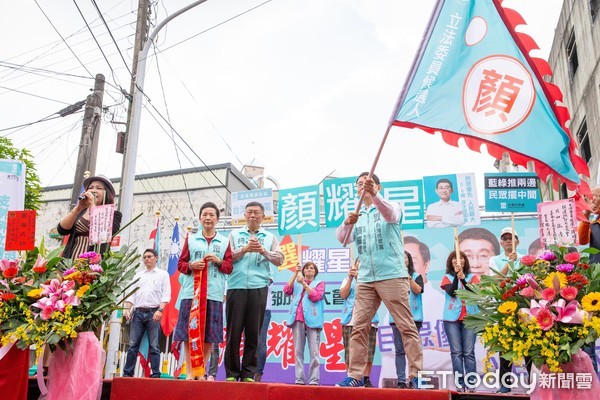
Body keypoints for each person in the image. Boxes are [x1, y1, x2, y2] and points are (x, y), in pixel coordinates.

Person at [335, 172, 423, 388]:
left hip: (392, 274)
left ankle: (416, 375)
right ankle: (355, 376)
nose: (362, 187)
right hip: (365, 278)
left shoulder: (390, 205)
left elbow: (391, 215)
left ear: (378, 186)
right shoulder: (356, 214)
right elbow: (343, 239)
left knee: (405, 325)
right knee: (358, 327)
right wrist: (347, 223)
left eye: (368, 183)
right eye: (359, 184)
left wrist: (374, 194)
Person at [225, 202, 284, 382]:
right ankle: (232, 374)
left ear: (262, 216)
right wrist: (244, 249)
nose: (252, 216)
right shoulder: (234, 234)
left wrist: (263, 251)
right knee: (233, 332)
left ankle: (249, 373)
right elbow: (226, 258)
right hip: (236, 286)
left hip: (259, 287)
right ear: (244, 214)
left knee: (253, 332)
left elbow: (280, 260)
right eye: (249, 212)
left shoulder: (269, 237)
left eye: (256, 213)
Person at [175, 202, 232, 380]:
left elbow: (229, 267)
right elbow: (181, 264)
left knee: (208, 334)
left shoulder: (224, 242)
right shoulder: (191, 239)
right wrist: (191, 265)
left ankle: (201, 371)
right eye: (205, 214)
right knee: (187, 332)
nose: (208, 218)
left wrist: (218, 261)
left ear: (217, 219)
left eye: (211, 215)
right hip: (192, 294)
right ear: (200, 218)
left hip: (213, 294)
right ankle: (190, 372)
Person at [123, 249, 171, 378]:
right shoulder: (138, 275)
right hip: (138, 312)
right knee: (132, 345)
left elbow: (166, 295)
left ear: (156, 258)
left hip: (153, 312)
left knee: (154, 345)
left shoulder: (163, 274)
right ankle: (128, 373)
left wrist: (160, 310)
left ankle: (155, 374)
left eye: (149, 256)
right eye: (144, 257)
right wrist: (127, 309)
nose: (146, 259)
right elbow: (131, 294)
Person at [440, 250, 480, 392]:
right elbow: (452, 291)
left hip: (470, 317)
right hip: (452, 319)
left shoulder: (473, 277)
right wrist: (457, 277)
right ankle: (459, 384)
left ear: (465, 261)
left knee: (469, 352)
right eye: (454, 259)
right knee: (456, 352)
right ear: (451, 262)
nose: (458, 261)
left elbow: (473, 291)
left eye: (461, 258)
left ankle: (471, 385)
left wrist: (463, 278)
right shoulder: (446, 277)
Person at [57, 174, 122, 259]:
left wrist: (92, 205)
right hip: (70, 263)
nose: (93, 191)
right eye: (90, 188)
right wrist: (78, 208)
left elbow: (102, 236)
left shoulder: (114, 214)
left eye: (99, 188)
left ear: (107, 193)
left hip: (93, 266)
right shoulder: (81, 211)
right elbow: (62, 230)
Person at [339, 258, 379, 388]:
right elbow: (343, 295)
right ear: (355, 265)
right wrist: (351, 278)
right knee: (350, 350)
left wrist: (358, 279)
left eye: (363, 261)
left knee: (368, 350)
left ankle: (366, 378)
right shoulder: (347, 279)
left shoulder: (373, 278)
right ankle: (351, 377)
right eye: (358, 261)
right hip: (350, 320)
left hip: (369, 319)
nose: (361, 263)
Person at [284, 262, 325, 385]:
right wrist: (295, 274)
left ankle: (313, 380)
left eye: (311, 268)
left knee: (314, 352)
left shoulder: (319, 283)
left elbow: (316, 296)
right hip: (297, 319)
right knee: (298, 351)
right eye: (306, 268)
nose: (309, 270)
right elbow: (286, 290)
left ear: (315, 271)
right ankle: (299, 379)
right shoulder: (296, 281)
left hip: (313, 320)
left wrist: (304, 284)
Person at [391, 251, 424, 388]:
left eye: (405, 257)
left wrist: (408, 277)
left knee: (413, 349)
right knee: (399, 350)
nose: (403, 259)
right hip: (396, 318)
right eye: (400, 257)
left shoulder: (416, 276)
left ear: (409, 261)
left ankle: (415, 378)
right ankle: (401, 380)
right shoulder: (392, 277)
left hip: (413, 318)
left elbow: (418, 290)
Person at [255, 279, 274, 382]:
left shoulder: (270, 266)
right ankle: (248, 372)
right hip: (249, 307)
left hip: (264, 309)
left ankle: (258, 374)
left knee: (261, 342)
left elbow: (266, 281)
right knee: (249, 341)